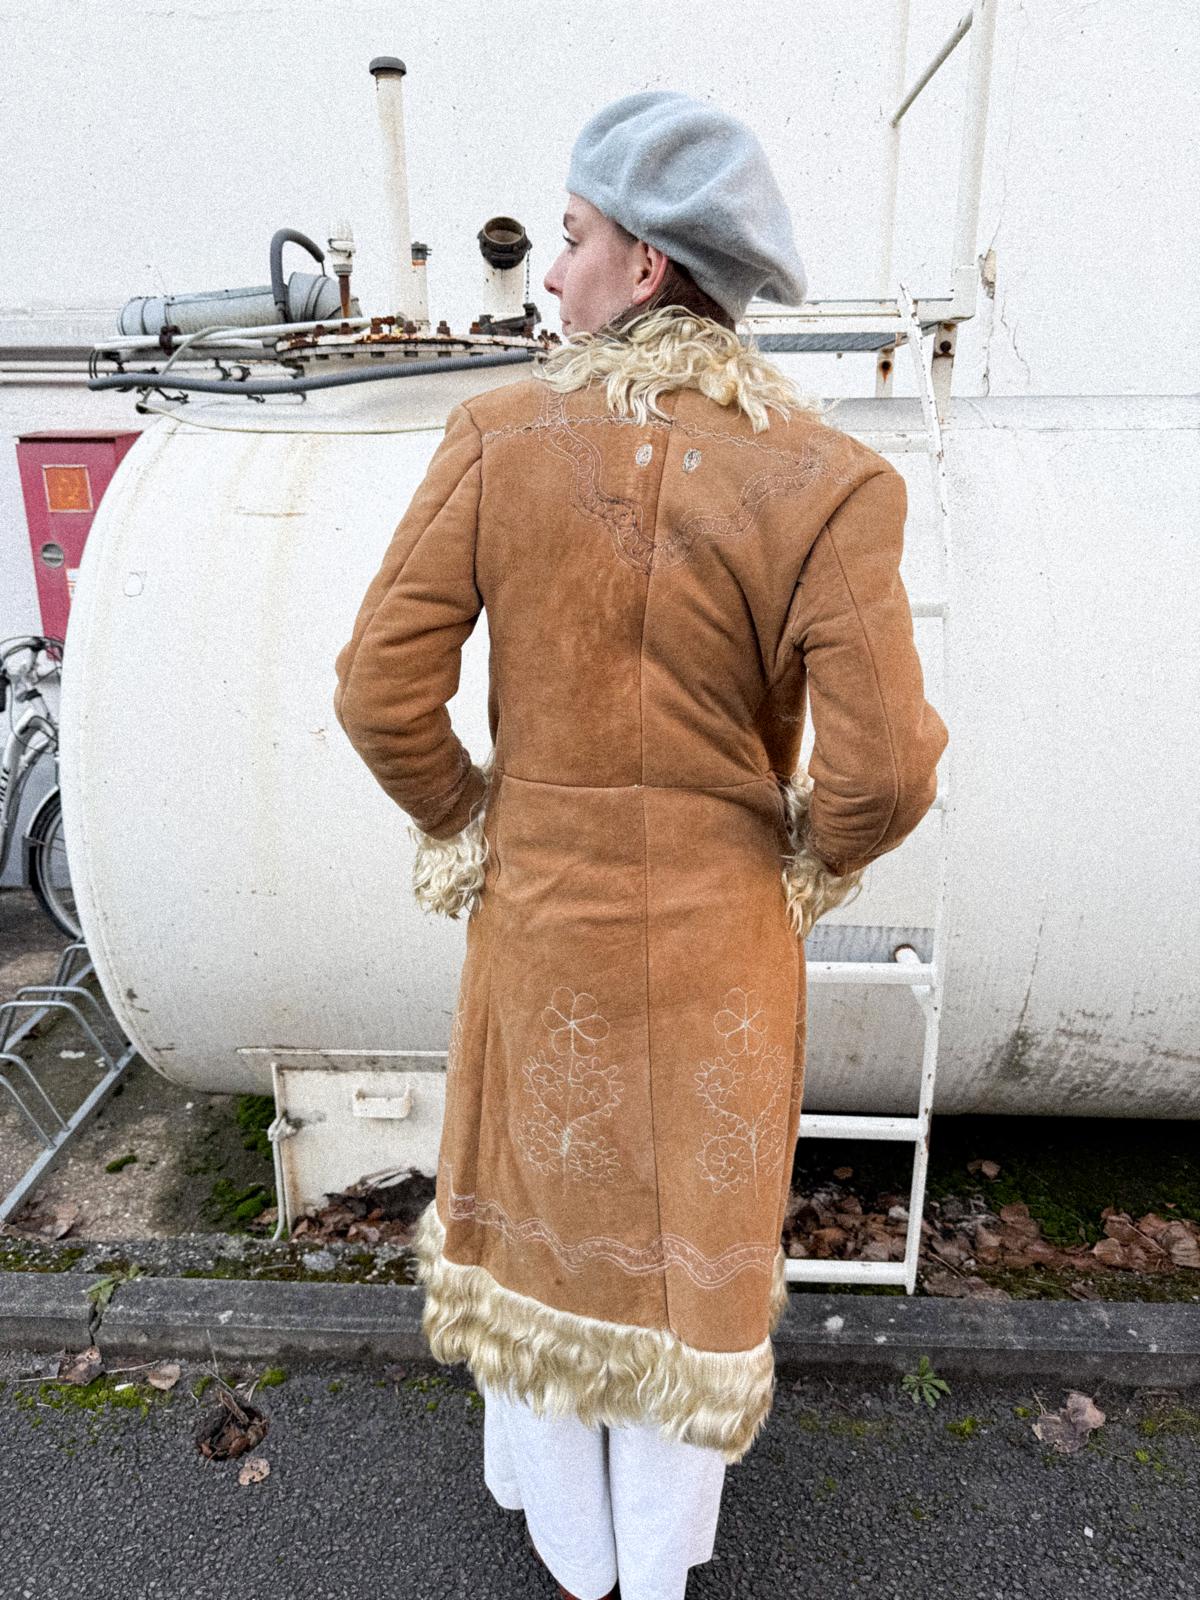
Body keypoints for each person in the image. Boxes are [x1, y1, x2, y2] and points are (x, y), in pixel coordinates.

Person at [333, 89, 949, 1600]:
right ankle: (657, 1565)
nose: (551, 274)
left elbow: (377, 693)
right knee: (692, 1249)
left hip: (541, 918)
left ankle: (565, 1546)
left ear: (649, 268)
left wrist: (467, 821)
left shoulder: (498, 436)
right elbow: (884, 770)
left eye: (573, 238)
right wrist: (803, 862)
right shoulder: (827, 481)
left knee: (543, 1229)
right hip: (722, 943)